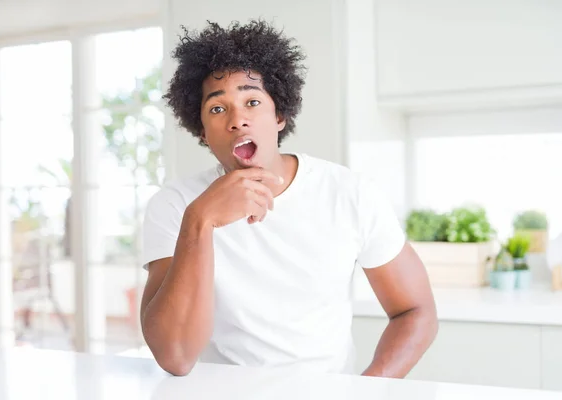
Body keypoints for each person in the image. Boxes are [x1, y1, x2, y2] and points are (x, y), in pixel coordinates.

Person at [140, 20, 438, 377]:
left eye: (252, 101)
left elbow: (415, 311)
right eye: (218, 109)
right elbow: (175, 356)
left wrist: (365, 390)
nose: (238, 120)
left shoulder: (350, 194)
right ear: (202, 131)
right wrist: (200, 220)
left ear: (279, 115)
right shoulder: (175, 205)